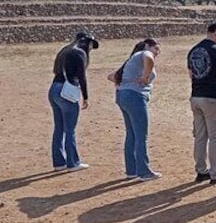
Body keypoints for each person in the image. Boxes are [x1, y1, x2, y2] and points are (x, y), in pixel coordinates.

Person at [187, 22, 216, 185]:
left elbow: (191, 75)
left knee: (200, 136)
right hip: (212, 97)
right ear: (214, 32)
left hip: (196, 96)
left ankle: (201, 170)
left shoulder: (193, 50)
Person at [111, 38, 162, 181]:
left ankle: (131, 170)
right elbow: (149, 57)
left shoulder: (132, 59)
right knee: (141, 135)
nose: (157, 52)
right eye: (156, 49)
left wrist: (125, 82)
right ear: (148, 46)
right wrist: (145, 77)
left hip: (123, 95)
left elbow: (112, 76)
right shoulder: (144, 54)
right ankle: (144, 171)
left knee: (132, 134)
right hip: (135, 97)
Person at [48, 31, 99, 172]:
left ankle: (59, 162)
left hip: (54, 88)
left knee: (59, 127)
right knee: (70, 129)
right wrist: (86, 96)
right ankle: (73, 162)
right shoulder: (79, 53)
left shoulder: (65, 50)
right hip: (67, 91)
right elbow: (82, 76)